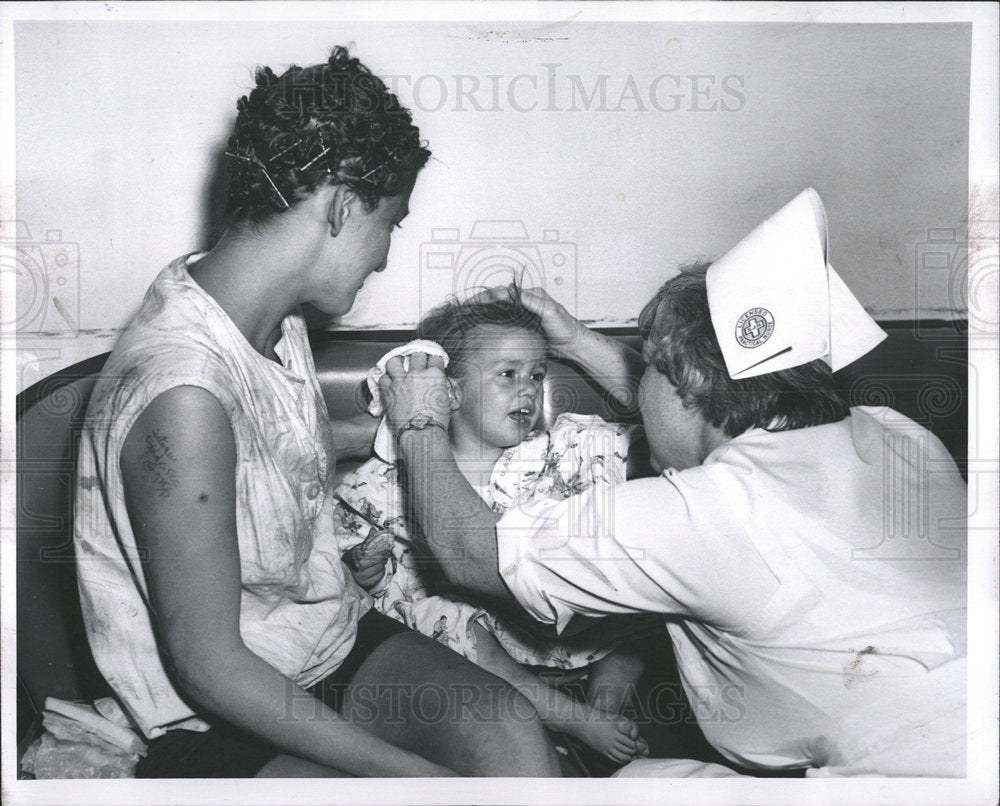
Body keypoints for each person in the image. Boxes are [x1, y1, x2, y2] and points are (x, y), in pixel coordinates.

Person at [73, 47, 562, 778]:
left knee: (510, 734)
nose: (386, 259)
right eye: (390, 224)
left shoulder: (268, 314)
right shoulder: (181, 393)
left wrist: (389, 429)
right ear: (339, 206)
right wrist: (406, 773)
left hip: (321, 638)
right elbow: (209, 667)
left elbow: (261, 451)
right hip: (212, 709)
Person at [376, 189, 968, 777]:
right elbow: (694, 416)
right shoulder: (898, 432)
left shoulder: (708, 512)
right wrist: (576, 339)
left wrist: (419, 419)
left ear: (686, 379)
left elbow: (471, 553)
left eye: (652, 365)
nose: (639, 383)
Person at [334, 288, 655, 765]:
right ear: (448, 393)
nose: (527, 389)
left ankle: (605, 704)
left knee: (650, 588)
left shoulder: (566, 446)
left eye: (537, 375)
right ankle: (570, 718)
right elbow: (359, 561)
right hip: (491, 655)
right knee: (434, 611)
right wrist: (365, 570)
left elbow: (667, 424)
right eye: (507, 374)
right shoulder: (393, 481)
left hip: (583, 631)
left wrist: (576, 338)